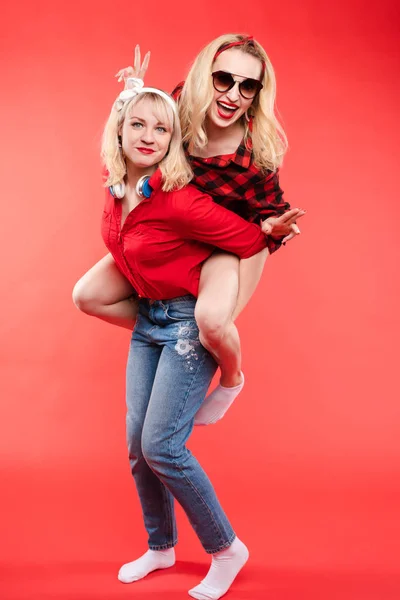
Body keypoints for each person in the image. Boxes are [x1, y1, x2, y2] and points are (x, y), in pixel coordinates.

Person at [92, 80, 290, 599]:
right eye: (138, 124)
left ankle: (226, 548)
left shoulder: (179, 199)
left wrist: (272, 229)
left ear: (173, 140)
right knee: (138, 448)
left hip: (185, 327)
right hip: (149, 327)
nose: (149, 135)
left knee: (162, 446)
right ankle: (160, 547)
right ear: (119, 130)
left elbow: (248, 239)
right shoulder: (118, 192)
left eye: (162, 128)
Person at [73, 35, 306, 426]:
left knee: (211, 321)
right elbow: (144, 122)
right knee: (87, 295)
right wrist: (133, 92)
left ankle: (232, 379)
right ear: (204, 76)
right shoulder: (181, 107)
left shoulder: (254, 156)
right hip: (174, 230)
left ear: (256, 95)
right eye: (223, 79)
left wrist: (273, 226)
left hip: (228, 246)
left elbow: (271, 217)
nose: (232, 93)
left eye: (247, 86)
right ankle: (168, 329)